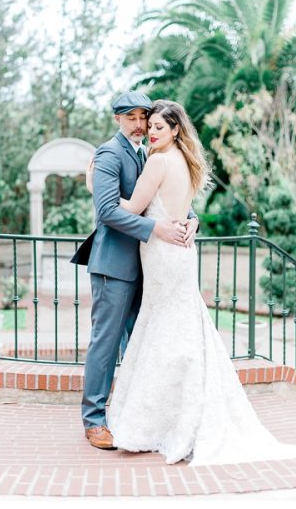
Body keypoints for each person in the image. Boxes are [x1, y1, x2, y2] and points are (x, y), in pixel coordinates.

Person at [97, 100, 296, 465]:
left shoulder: (157, 161)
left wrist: (96, 184)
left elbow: (131, 208)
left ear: (176, 130)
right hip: (179, 253)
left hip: (163, 252)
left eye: (159, 127)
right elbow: (178, 206)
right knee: (181, 326)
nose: (151, 131)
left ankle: (157, 420)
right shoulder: (184, 161)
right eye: (149, 126)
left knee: (162, 328)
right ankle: (184, 411)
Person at [72, 91, 197, 450]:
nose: (140, 125)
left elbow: (161, 198)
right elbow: (108, 211)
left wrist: (192, 220)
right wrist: (156, 230)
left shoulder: (149, 153)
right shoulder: (109, 153)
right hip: (114, 265)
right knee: (106, 344)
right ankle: (94, 421)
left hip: (150, 265)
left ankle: (134, 415)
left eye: (144, 117)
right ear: (117, 119)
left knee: (140, 344)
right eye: (132, 118)